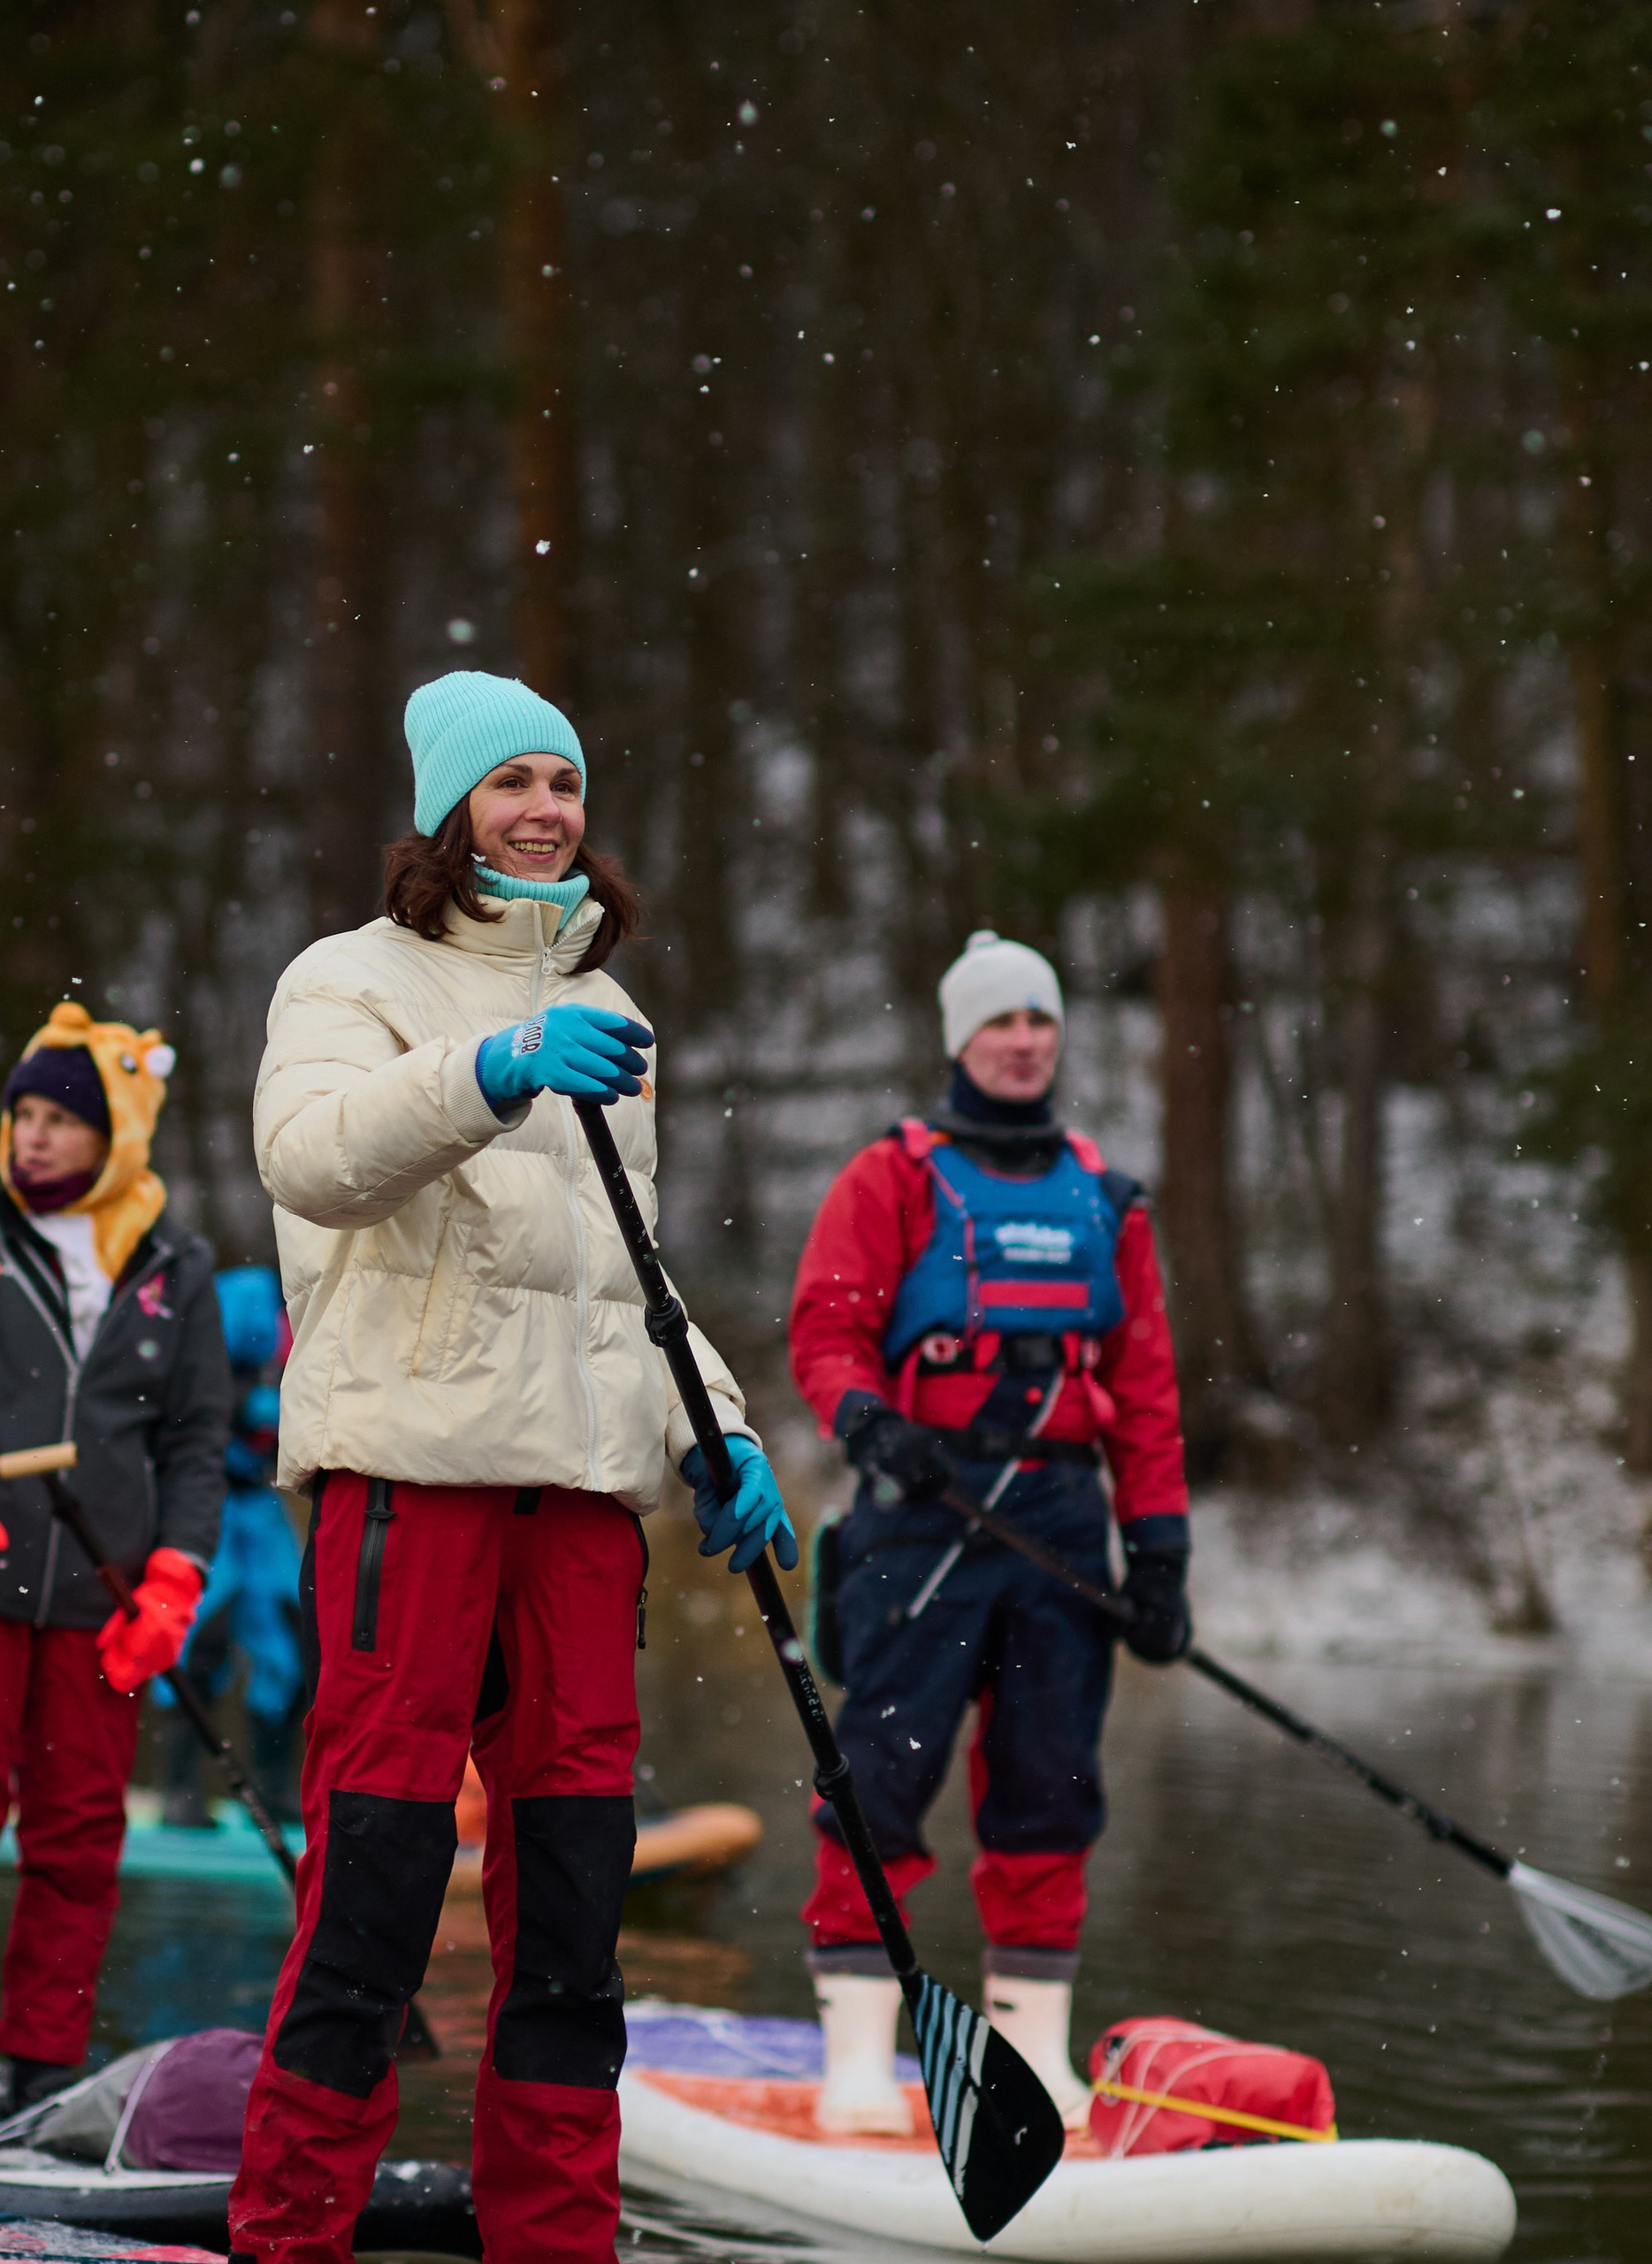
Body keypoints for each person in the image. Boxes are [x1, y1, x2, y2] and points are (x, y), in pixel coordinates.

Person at [226, 670, 791, 2264]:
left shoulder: (612, 1019)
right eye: (510, 784)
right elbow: (313, 1163)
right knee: (378, 1900)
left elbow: (629, 1277)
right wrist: (489, 1070)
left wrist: (724, 1435)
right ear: (447, 811)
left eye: (564, 782)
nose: (545, 810)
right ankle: (286, 2242)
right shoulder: (349, 981)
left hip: (582, 1511)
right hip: (412, 1486)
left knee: (572, 1926)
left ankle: (557, 2245)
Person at [786, 930, 1190, 2134]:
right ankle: (858, 2061)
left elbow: (1151, 1395)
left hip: (1065, 1530)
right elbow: (826, 1332)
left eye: (1041, 1022)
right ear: (960, 1039)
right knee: (879, 1782)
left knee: (1051, 1789)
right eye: (999, 1023)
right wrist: (869, 1424)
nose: (1023, 1043)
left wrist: (1161, 1554)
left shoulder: (1109, 1198)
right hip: (925, 1516)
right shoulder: (892, 1177)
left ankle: (1033, 2063)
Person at [0, 1002, 233, 2129]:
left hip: (100, 1604)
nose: (31, 1136)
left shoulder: (178, 1262)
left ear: (116, 1130)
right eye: (20, 1115)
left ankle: (41, 2059)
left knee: (80, 1835)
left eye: (59, 1119)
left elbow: (196, 1441)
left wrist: (176, 1573)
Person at [157, 1266, 306, 1828]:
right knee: (200, 1640)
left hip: (260, 1509)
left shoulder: (302, 1318)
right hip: (209, 1506)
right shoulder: (242, 1306)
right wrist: (253, 1407)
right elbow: (193, 1399)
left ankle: (272, 1788)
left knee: (291, 1641)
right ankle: (180, 1789)